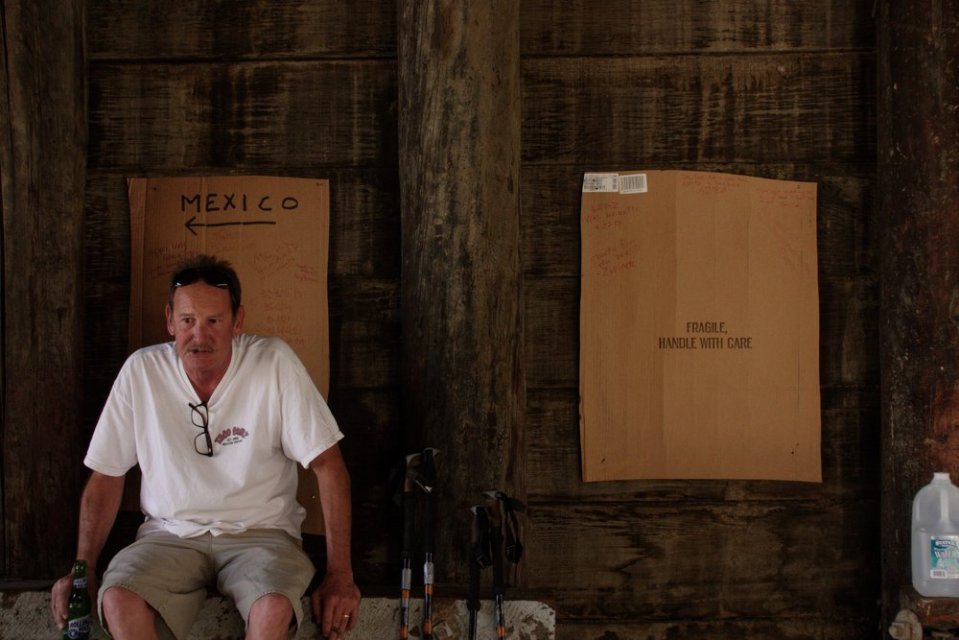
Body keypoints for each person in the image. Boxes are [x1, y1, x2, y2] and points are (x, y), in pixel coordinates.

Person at [50, 254, 361, 640]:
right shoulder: (142, 372)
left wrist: (340, 575)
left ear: (237, 322)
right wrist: (85, 569)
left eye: (214, 320)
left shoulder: (273, 362)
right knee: (118, 598)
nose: (200, 335)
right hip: (168, 535)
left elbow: (328, 464)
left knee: (273, 607)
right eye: (187, 321)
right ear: (170, 321)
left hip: (262, 534)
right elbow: (106, 476)